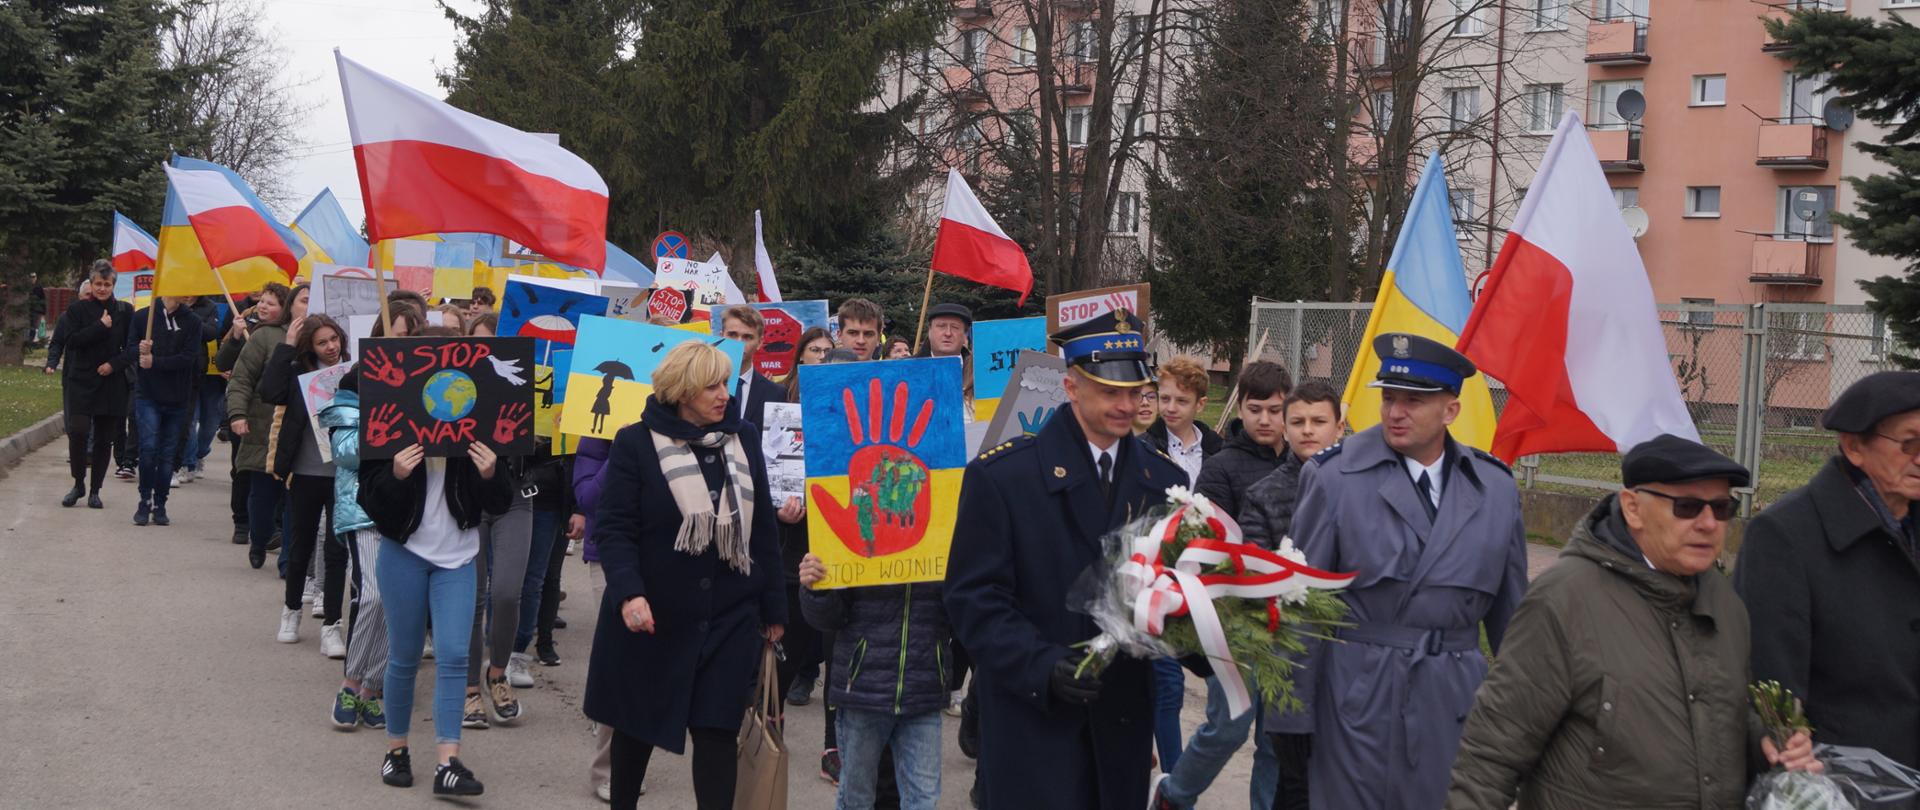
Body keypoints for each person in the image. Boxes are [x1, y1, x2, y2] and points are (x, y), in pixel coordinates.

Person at [1450, 435, 1823, 807]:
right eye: (1688, 507)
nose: (1709, 523)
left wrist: (1767, 742)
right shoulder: (1565, 600)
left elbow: (1721, 713)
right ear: (1632, 508)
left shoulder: (1726, 606)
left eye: (1722, 507)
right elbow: (1491, 754)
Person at [946, 309, 1191, 810]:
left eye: (1136, 391)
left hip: (1121, 724)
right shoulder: (1003, 478)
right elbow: (974, 602)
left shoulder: (1165, 482)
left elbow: (1174, 598)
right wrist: (1043, 666)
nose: (1128, 405)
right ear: (1072, 387)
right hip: (1033, 725)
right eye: (1110, 391)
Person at [1286, 333, 1528, 810]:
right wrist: (1290, 721)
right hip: (1357, 697)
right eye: (1389, 397)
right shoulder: (1335, 478)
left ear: (1451, 411)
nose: (1395, 412)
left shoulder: (1496, 489)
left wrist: (1530, 717)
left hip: (1452, 701)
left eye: (1413, 401)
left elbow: (1516, 624)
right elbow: (1300, 608)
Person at [583, 341, 785, 810]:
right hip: (653, 617)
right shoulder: (635, 442)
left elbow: (764, 533)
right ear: (682, 390)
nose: (724, 394)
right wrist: (629, 594)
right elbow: (615, 530)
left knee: (717, 734)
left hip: (731, 617)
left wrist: (775, 608)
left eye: (726, 383)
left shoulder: (744, 437)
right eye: (711, 385)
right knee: (635, 732)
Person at [1734, 371, 1920, 769]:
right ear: (1854, 447)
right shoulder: (1784, 536)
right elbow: (1772, 690)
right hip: (1848, 783)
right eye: (1911, 443)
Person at [357, 363, 512, 797]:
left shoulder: (476, 431)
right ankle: (397, 749)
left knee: (453, 656)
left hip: (457, 560)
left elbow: (500, 501)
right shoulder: (389, 427)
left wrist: (489, 472)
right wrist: (397, 474)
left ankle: (448, 761)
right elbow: (370, 501)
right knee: (404, 657)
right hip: (404, 555)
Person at [1158, 360, 1293, 810]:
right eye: (1256, 409)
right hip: (1234, 624)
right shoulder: (1220, 468)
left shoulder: (1303, 466)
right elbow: (1204, 549)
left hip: (1288, 621)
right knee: (1230, 726)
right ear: (1241, 406)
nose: (1266, 420)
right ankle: (1174, 794)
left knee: (1276, 738)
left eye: (1275, 410)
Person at [799, 544, 952, 810]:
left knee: (924, 800)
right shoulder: (859, 522)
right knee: (856, 798)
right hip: (863, 689)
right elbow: (829, 618)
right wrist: (818, 590)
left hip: (923, 690)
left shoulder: (946, 523)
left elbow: (960, 615)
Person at [258, 312, 351, 652]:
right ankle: (291, 610)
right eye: (321, 342)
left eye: (334, 339)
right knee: (300, 546)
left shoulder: (353, 372)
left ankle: (332, 625)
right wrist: (285, 349)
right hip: (306, 471)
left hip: (343, 472)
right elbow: (269, 391)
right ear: (309, 346)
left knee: (337, 550)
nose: (330, 347)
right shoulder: (298, 372)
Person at [323, 358, 389, 732]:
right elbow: (346, 452)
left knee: (398, 604)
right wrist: (392, 421)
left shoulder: (424, 378)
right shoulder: (355, 381)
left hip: (409, 514)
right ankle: (350, 685)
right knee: (373, 596)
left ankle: (372, 688)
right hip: (364, 512)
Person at [218, 282, 297, 570]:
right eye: (262, 302)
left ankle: (288, 556)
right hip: (258, 425)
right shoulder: (259, 336)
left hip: (293, 428)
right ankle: (257, 536)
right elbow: (233, 373)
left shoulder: (308, 335)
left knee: (291, 498)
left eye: (271, 303)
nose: (263, 307)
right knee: (259, 491)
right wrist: (237, 414)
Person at [54, 262, 133, 509]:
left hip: (111, 382)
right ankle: (78, 483)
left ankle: (95, 490)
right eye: (98, 284)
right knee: (77, 431)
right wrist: (100, 327)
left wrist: (114, 364)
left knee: (104, 438)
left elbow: (132, 347)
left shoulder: (124, 310)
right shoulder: (77, 310)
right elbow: (72, 341)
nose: (102, 289)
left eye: (106, 284)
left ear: (113, 285)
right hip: (81, 379)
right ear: (91, 283)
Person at [122, 294, 201, 526]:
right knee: (147, 449)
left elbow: (188, 358)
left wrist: (155, 362)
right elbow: (128, 352)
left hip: (177, 398)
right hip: (148, 395)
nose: (184, 293)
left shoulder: (193, 322)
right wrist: (139, 349)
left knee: (167, 454)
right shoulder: (142, 318)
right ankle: (144, 500)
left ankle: (161, 503)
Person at [1141, 356, 1221, 487]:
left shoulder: (1217, 450)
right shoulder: (1143, 447)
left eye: (1182, 401)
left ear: (1200, 404)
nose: (1171, 408)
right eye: (1165, 399)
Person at [719, 305, 787, 429]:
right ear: (721, 336)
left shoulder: (776, 393)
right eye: (732, 335)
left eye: (747, 337)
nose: (739, 342)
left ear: (760, 343)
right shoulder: (701, 385)